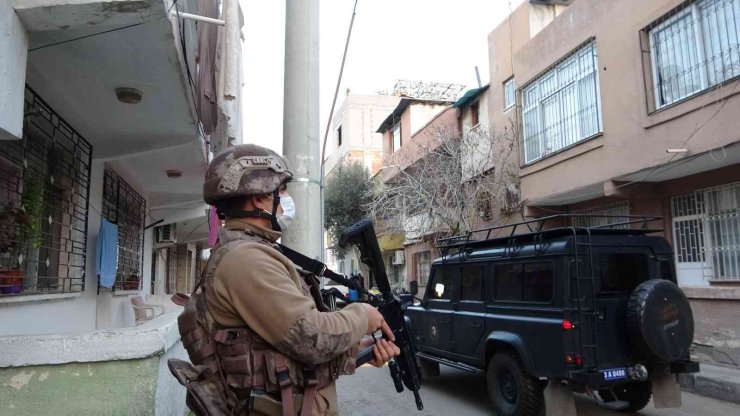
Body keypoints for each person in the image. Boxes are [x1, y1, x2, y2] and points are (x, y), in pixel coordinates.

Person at [199, 144, 399, 416]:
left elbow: (281, 352)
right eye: (281, 190)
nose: (286, 199)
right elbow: (312, 337)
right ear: (258, 198)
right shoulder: (246, 259)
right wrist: (362, 315)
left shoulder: (252, 251)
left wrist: (355, 352)